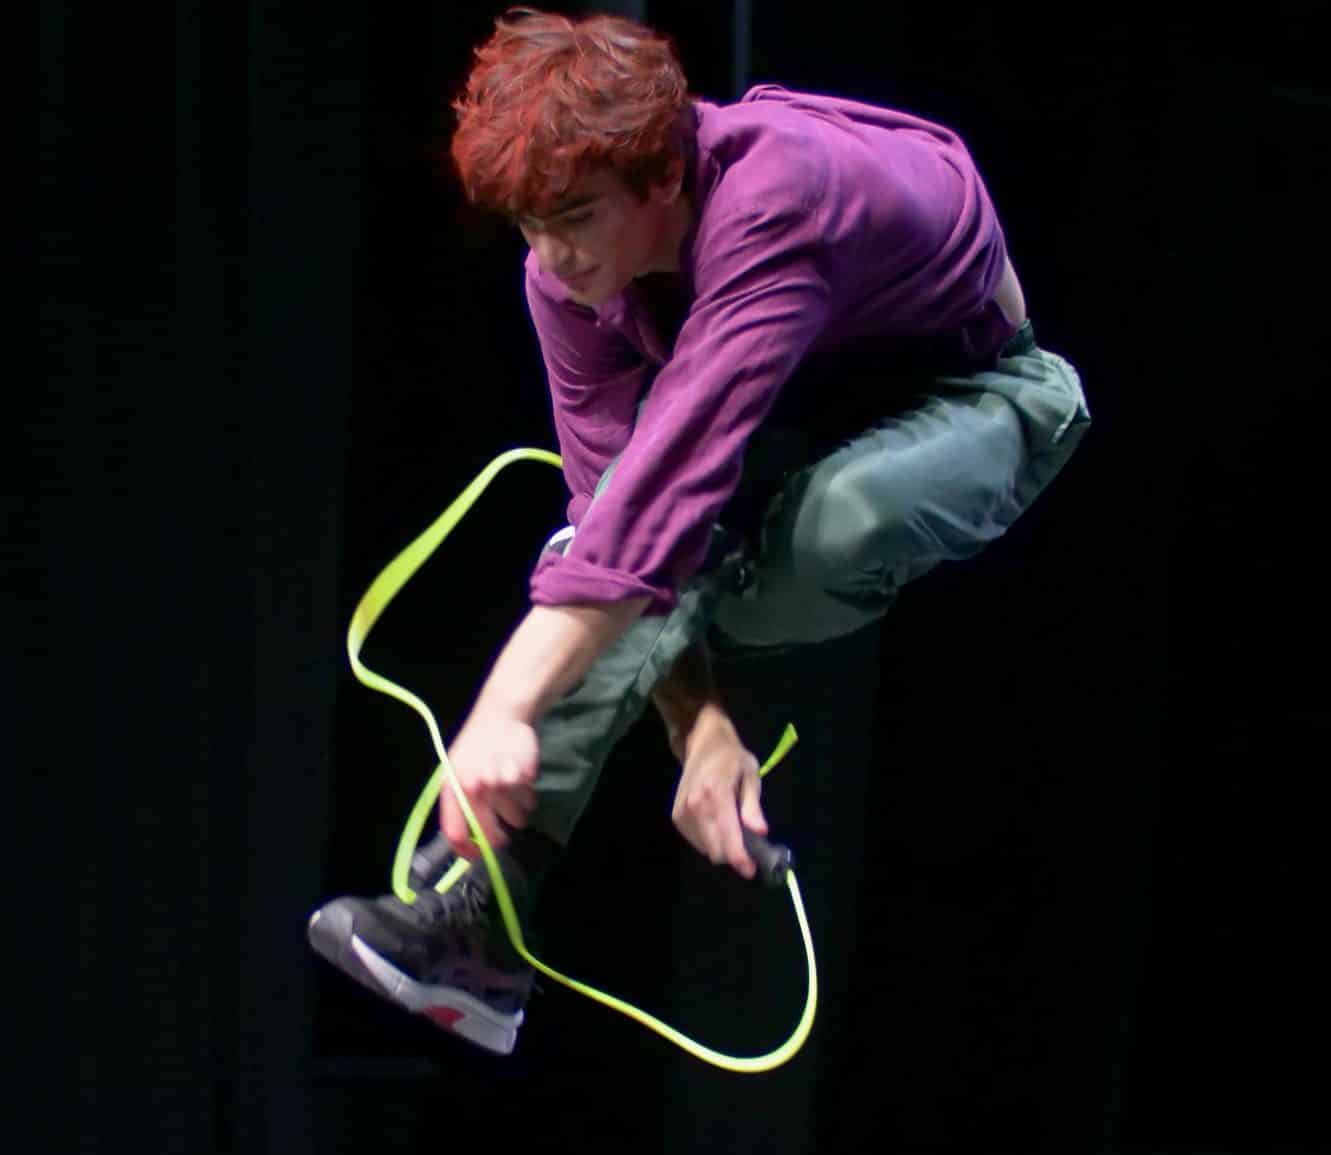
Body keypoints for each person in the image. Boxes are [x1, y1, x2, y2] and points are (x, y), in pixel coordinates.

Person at [307, 9, 1091, 1055]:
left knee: (811, 530)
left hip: (977, 397)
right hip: (786, 435)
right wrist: (702, 726)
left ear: (664, 177)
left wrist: (506, 706)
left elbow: (648, 524)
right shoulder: (564, 284)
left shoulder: (779, 195)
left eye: (576, 216)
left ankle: (665, 620)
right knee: (601, 548)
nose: (553, 256)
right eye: (529, 226)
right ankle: (482, 926)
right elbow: (619, 524)